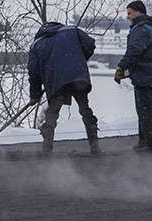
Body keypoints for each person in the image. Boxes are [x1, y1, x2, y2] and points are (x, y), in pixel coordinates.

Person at [28, 21, 99, 155]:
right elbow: (90, 44)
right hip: (78, 76)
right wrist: (79, 59)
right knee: (85, 109)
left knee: (52, 114)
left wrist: (35, 95)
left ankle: (47, 149)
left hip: (56, 81)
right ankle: (94, 144)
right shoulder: (72, 30)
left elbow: (34, 73)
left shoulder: (36, 44)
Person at [115, 0, 152, 153]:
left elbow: (134, 51)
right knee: (145, 109)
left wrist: (121, 66)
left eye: (129, 13)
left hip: (147, 76)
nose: (127, 17)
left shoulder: (140, 29)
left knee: (145, 110)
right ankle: (144, 142)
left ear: (138, 12)